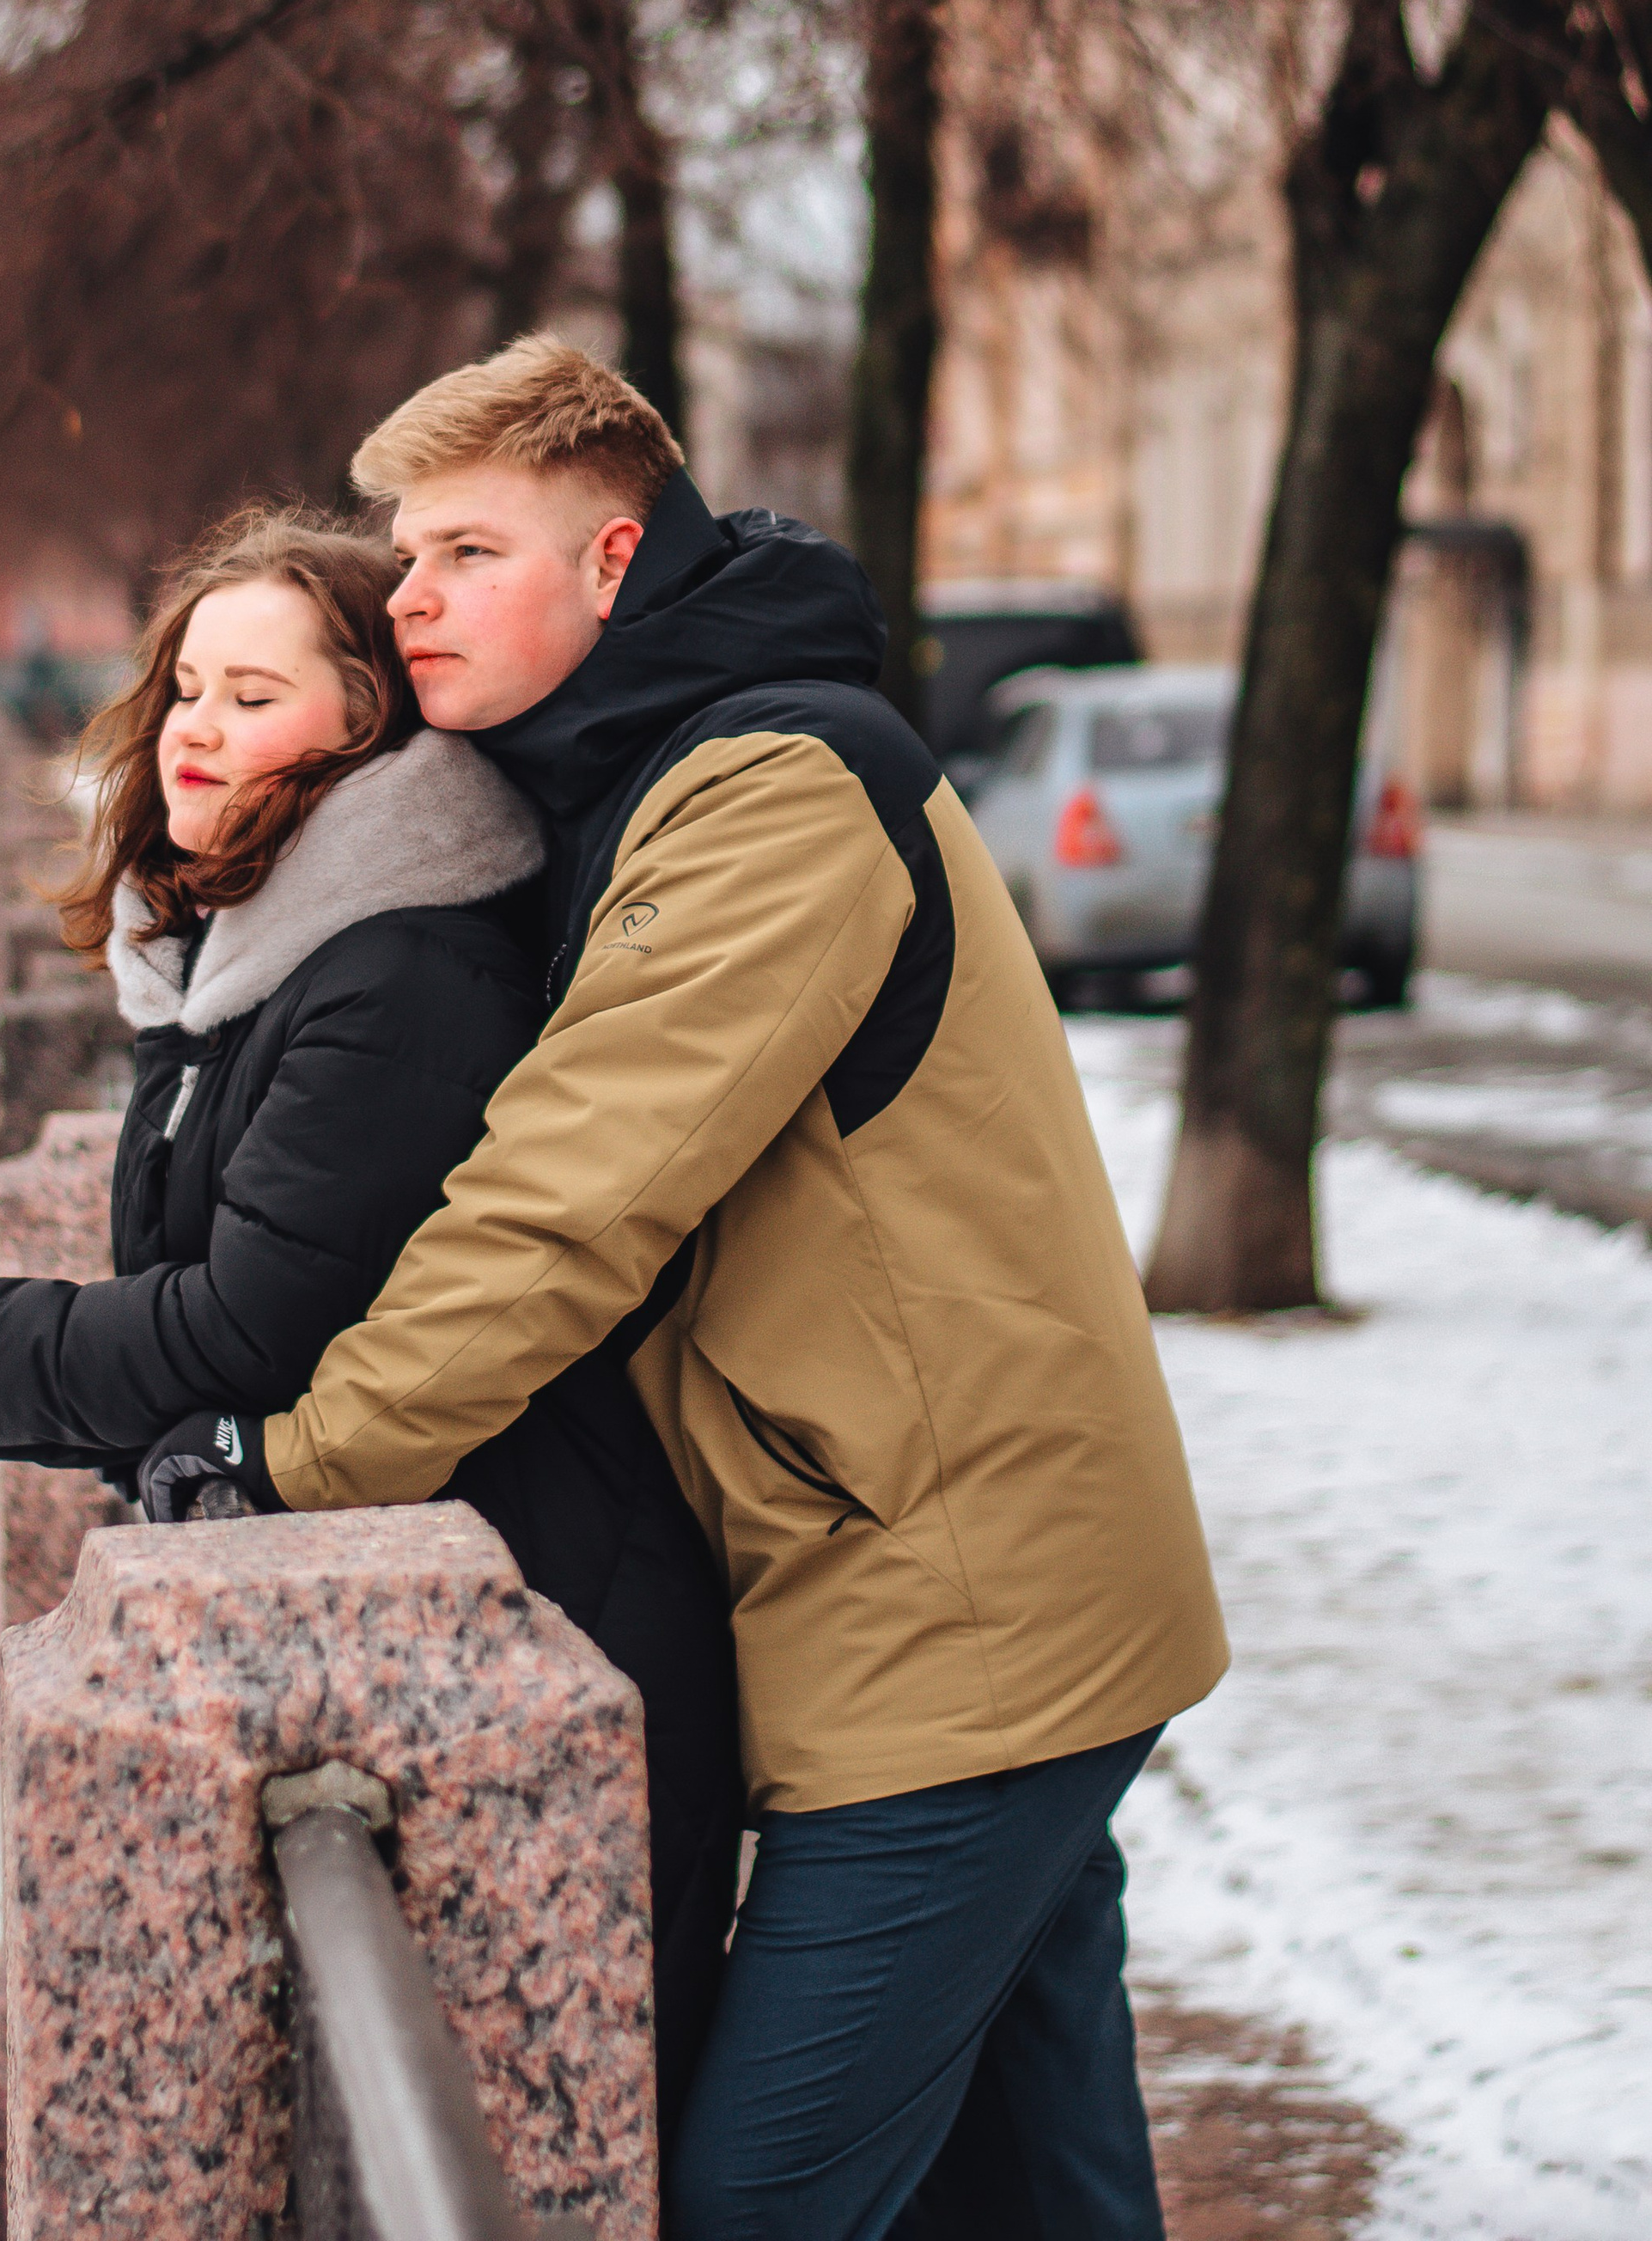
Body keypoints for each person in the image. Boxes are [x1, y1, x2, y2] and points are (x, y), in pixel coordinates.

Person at [146, 347, 1230, 2241]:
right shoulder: (631, 778)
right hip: (938, 1580)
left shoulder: (765, 792)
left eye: (468, 551)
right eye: (405, 557)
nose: (408, 599)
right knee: (1035, 2187)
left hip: (949, 1616)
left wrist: (288, 1457)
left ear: (613, 564)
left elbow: (563, 1203)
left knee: (751, 2206)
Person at [0, 506, 744, 2134]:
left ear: (364, 729)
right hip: (425, 1638)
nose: (198, 728)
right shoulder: (245, 956)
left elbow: (249, 1328)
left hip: (537, 1644)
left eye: (254, 696)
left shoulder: (403, 970)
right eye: (185, 689)